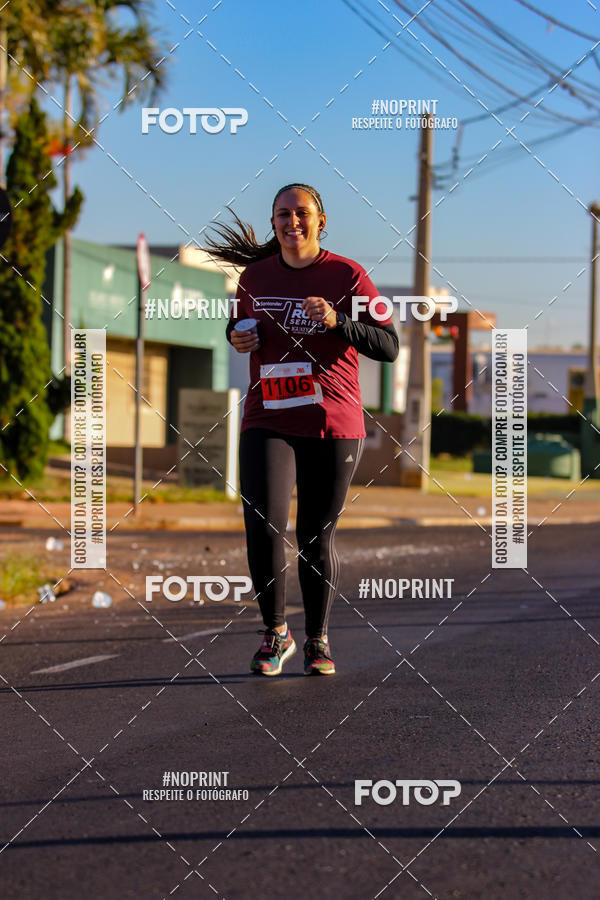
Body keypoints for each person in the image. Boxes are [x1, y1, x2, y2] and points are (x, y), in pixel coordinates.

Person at [205, 183, 398, 677]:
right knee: (263, 523)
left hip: (332, 422)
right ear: (273, 223)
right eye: (283, 214)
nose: (293, 222)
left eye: (302, 213)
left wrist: (337, 322)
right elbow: (237, 328)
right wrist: (237, 336)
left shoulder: (347, 274)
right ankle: (275, 633)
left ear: (321, 220)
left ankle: (317, 639)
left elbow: (388, 345)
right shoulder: (254, 276)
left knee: (315, 534)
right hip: (268, 417)